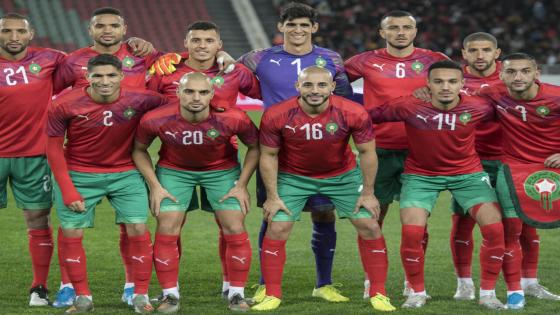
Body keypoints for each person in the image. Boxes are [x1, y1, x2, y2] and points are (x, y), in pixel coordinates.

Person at [252, 66, 395, 312]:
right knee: (277, 226)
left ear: (331, 87)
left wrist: (368, 193)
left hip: (342, 177)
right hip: (294, 177)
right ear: (298, 87)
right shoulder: (277, 114)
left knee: (369, 225)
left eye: (321, 85)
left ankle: (379, 293)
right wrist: (273, 197)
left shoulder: (352, 111)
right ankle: (272, 294)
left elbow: (367, 152)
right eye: (308, 85)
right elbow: (268, 155)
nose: (315, 90)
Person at [239, 2, 353, 303]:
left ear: (314, 28)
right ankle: (266, 285)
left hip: (321, 151)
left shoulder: (331, 58)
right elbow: (224, 70)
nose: (298, 30)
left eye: (304, 25)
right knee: (273, 214)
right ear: (281, 27)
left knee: (324, 213)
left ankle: (324, 283)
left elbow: (346, 100)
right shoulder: (259, 58)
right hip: (275, 152)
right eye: (291, 25)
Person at [369, 60, 506, 310]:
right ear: (428, 84)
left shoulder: (479, 107)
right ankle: (417, 293)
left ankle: (488, 294)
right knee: (412, 233)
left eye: (452, 81)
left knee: (495, 229)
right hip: (421, 176)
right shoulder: (408, 106)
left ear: (462, 84)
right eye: (439, 81)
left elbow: (519, 117)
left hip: (468, 175)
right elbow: (365, 117)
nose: (445, 87)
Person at [147, 20, 260, 300]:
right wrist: (152, 55)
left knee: (230, 225)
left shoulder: (235, 72)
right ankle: (169, 293)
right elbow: (141, 98)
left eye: (209, 41)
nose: (202, 46)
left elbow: (269, 93)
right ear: (185, 43)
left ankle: (230, 287)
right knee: (171, 226)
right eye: (195, 40)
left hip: (222, 159)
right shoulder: (167, 69)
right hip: (174, 160)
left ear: (219, 45)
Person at [46, 54, 166, 314]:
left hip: (125, 174)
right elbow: (53, 150)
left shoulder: (141, 98)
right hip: (79, 175)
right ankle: (82, 297)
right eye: (97, 76)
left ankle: (140, 294)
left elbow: (176, 106)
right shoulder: (64, 104)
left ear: (121, 76)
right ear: (87, 77)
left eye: (111, 75)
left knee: (137, 228)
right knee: (71, 232)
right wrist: (67, 189)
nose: (104, 81)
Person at [343, 10, 448, 296]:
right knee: (371, 218)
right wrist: (353, 118)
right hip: (377, 151)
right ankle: (371, 279)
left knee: (417, 222)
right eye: (393, 28)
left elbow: (461, 87)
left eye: (406, 27)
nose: (400, 32)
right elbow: (332, 85)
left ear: (415, 31)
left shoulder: (434, 60)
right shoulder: (364, 60)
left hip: (420, 151)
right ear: (382, 32)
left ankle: (411, 280)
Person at [480, 53, 560, 309]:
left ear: (536, 73)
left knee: (531, 229)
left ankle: (530, 282)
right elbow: (456, 100)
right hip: (512, 169)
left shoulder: (556, 96)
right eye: (511, 72)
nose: (518, 77)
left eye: (525, 71)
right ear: (501, 74)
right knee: (512, 229)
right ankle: (516, 291)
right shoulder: (492, 94)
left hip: (552, 168)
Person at [0, 12, 66, 307]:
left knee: (38, 220)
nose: (13, 37)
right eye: (6, 31)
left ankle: (38, 287)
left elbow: (96, 62)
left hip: (34, 156)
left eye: (19, 32)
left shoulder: (51, 58)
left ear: (31, 34)